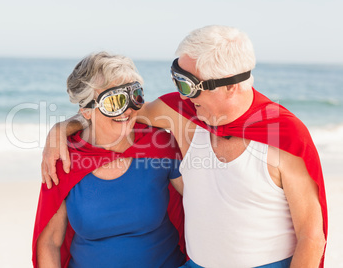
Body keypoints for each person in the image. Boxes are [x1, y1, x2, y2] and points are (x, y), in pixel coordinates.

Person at [41, 26, 327, 268]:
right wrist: (60, 129)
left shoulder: (285, 136)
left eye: (190, 85)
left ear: (230, 86)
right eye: (178, 79)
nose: (182, 94)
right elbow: (115, 113)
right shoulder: (181, 114)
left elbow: (312, 235)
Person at [32, 52, 187, 268]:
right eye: (115, 101)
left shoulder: (160, 144)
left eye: (135, 96)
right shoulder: (64, 159)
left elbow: (202, 203)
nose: (129, 110)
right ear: (86, 111)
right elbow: (49, 242)